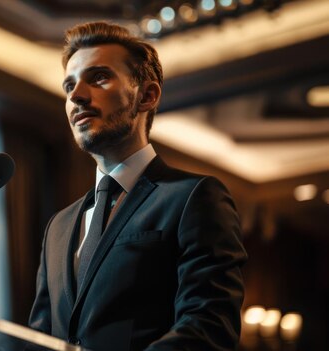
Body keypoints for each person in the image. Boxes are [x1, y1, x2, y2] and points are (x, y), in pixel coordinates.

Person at [29, 22, 247, 351]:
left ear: (146, 96)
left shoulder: (194, 197)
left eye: (98, 77)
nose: (76, 96)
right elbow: (41, 338)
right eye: (69, 85)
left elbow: (208, 325)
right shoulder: (58, 227)